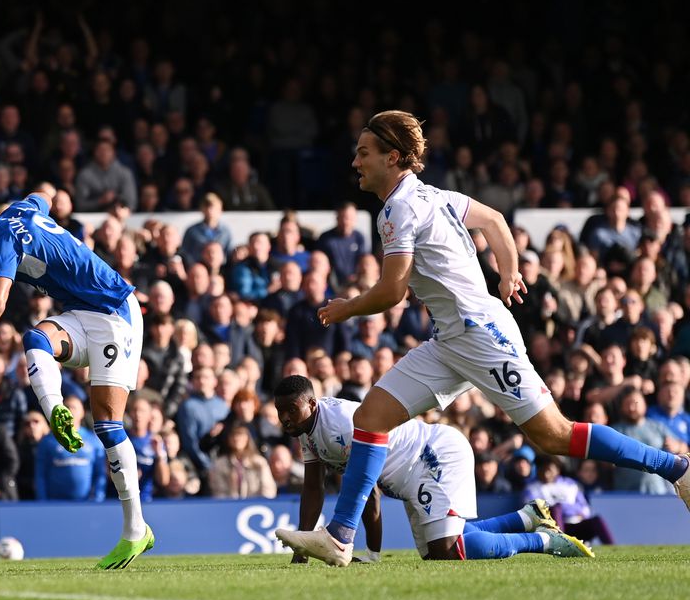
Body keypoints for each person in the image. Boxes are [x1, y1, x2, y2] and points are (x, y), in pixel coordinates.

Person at [279, 110, 690, 568]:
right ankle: (340, 536)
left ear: (393, 157)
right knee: (371, 416)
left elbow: (394, 291)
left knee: (554, 435)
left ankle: (677, 470)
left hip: (479, 334)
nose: (355, 162)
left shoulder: (397, 209)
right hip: (451, 338)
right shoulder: (434, 196)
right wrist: (508, 273)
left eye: (364, 153)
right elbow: (494, 220)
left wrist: (346, 307)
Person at [0, 189, 154, 568]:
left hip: (114, 313)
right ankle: (56, 410)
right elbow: (43, 195)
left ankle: (135, 529)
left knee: (108, 426)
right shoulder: (18, 211)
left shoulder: (3, 241)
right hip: (80, 312)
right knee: (36, 338)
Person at [273, 376, 592, 561]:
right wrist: (304, 546)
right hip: (413, 474)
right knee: (435, 553)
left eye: (291, 410)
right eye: (280, 412)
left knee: (449, 549)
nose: (285, 418)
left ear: (311, 404)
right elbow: (313, 488)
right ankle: (527, 518)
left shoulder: (340, 423)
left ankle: (546, 541)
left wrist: (367, 552)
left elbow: (368, 491)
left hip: (432, 454)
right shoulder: (308, 432)